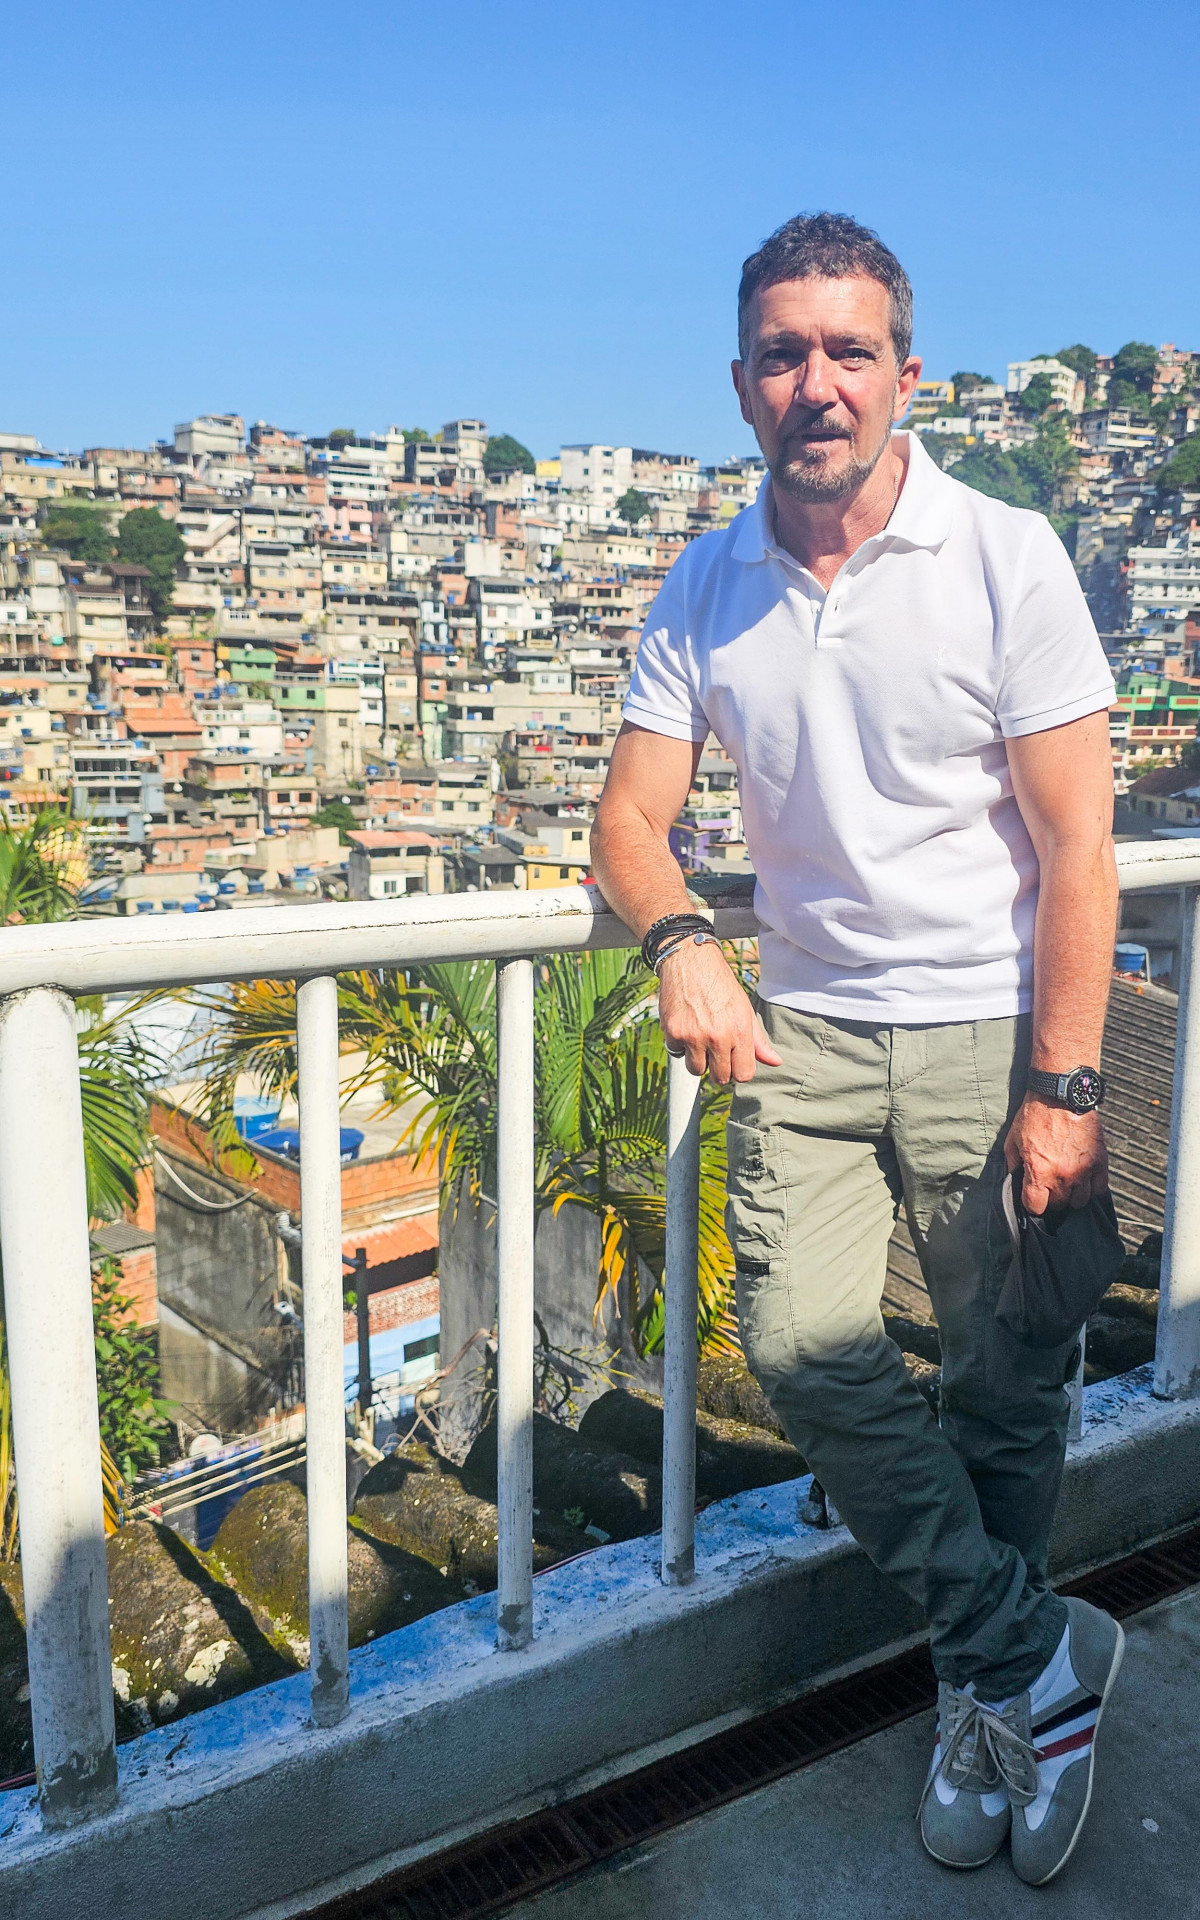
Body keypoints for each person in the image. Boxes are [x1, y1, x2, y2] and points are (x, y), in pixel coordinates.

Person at [590, 212, 1124, 1886]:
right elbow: (627, 816)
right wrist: (682, 938)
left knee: (1004, 1389)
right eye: (781, 355)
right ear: (740, 385)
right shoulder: (709, 578)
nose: (814, 386)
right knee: (811, 1356)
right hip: (802, 1036)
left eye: (846, 352)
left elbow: (1080, 847)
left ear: (907, 372)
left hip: (986, 1032)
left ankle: (985, 1701)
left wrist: (1065, 1085)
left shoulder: (1003, 554)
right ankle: (1040, 1659)